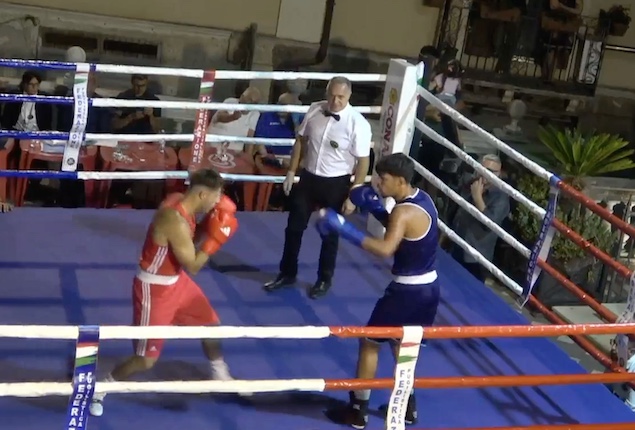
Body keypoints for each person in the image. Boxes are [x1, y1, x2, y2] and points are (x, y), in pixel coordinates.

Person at [89, 168, 241, 417]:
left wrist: (209, 225)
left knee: (211, 325)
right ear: (202, 194)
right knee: (145, 359)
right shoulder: (173, 219)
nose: (218, 202)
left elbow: (189, 240)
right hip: (155, 289)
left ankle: (220, 373)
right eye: (216, 196)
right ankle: (101, 387)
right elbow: (193, 265)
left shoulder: (182, 203)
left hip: (177, 282)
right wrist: (216, 240)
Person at [315, 153, 440, 429]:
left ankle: (357, 411)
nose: (378, 183)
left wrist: (345, 229)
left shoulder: (402, 212)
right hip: (429, 288)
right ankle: (407, 408)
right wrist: (376, 209)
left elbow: (386, 249)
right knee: (402, 344)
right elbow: (407, 235)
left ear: (400, 181)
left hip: (406, 292)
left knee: (370, 342)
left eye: (383, 179)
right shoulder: (424, 201)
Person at [263, 76, 372, 299]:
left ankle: (324, 279)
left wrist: (354, 194)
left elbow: (363, 161)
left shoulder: (358, 123)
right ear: (326, 93)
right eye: (332, 95)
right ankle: (287, 273)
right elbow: (300, 141)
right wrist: (291, 171)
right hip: (308, 178)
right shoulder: (314, 109)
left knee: (330, 234)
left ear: (349, 96)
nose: (335, 101)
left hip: (336, 183)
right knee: (293, 228)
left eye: (341, 97)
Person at [449, 154, 510, 282]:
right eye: (484, 169)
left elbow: (490, 224)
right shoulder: (471, 184)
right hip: (457, 246)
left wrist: (478, 198)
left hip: (476, 257)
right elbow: (458, 212)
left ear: (499, 174)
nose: (487, 174)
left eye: (492, 172)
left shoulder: (501, 197)